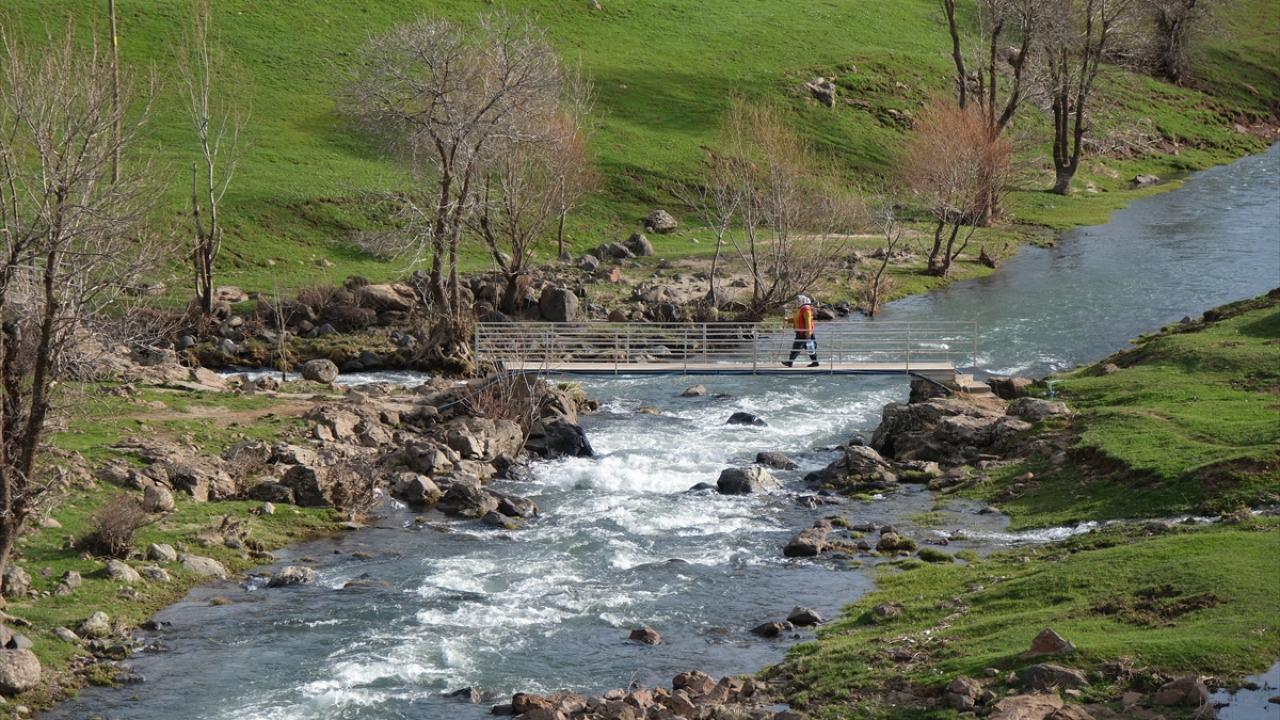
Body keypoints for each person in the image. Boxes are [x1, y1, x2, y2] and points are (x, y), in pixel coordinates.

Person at [783, 295, 819, 367]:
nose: (797, 302)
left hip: (804, 333)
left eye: (798, 301)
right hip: (802, 332)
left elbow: (808, 321)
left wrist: (808, 332)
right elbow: (796, 319)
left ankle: (790, 362)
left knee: (797, 347)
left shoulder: (806, 309)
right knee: (809, 347)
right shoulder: (801, 309)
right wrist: (788, 320)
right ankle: (815, 362)